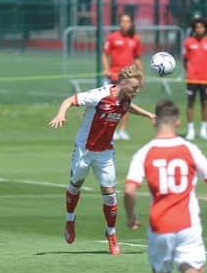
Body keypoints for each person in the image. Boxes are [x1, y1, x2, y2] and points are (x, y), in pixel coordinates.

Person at [124, 99, 207, 273]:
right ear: (178, 122)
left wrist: (131, 216)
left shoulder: (144, 152)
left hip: (160, 225)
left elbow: (129, 190)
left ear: (154, 121)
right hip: (188, 224)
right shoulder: (189, 149)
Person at [48, 65, 155, 255]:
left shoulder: (126, 99)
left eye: (138, 88)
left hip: (105, 153)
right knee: (75, 186)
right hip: (84, 149)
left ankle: (111, 234)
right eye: (133, 87)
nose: (136, 91)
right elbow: (70, 100)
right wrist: (61, 114)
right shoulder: (99, 95)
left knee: (110, 193)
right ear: (122, 83)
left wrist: (149, 115)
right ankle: (70, 219)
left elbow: (128, 107)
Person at [101, 13, 143, 140]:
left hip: (129, 79)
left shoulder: (135, 39)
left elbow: (137, 58)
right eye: (123, 21)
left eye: (128, 21)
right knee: (110, 104)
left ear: (131, 23)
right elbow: (105, 54)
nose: (125, 24)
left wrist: (141, 76)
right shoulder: (112, 37)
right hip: (114, 76)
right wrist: (106, 69)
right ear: (119, 23)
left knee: (125, 105)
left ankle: (123, 131)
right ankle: (109, 130)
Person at [183, 17, 207, 140]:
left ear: (205, 28)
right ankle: (190, 130)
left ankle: (203, 130)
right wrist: (191, 71)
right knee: (190, 103)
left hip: (205, 79)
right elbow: (185, 60)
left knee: (205, 103)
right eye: (197, 27)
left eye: (201, 27)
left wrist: (206, 72)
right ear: (194, 29)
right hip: (191, 78)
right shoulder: (188, 42)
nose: (199, 29)